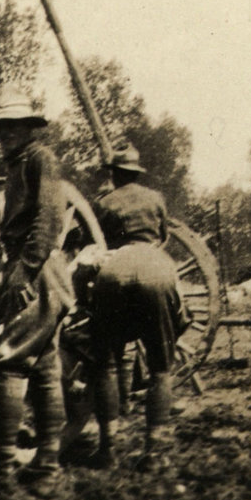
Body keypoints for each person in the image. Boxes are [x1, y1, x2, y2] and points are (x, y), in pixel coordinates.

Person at [0, 86, 73, 495]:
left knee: (10, 362)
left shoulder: (40, 159)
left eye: (13, 127)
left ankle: (2, 468)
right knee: (46, 368)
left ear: (29, 128)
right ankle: (46, 467)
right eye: (0, 128)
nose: (4, 135)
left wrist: (24, 272)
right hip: (35, 268)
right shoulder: (20, 165)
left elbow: (49, 218)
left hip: (38, 270)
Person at [86, 143, 183, 469]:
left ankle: (107, 449)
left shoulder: (104, 202)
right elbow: (164, 237)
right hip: (155, 267)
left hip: (114, 270)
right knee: (160, 368)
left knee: (106, 364)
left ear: (113, 174)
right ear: (137, 172)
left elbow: (93, 242)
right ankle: (154, 452)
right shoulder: (156, 198)